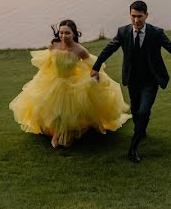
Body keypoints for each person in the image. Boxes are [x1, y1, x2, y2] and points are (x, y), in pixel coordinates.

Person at [90, 1, 171, 163]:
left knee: (143, 111)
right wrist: (96, 67)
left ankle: (133, 148)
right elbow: (109, 49)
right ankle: (141, 129)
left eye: (139, 16)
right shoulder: (123, 32)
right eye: (133, 16)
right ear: (130, 15)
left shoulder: (156, 33)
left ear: (146, 15)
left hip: (151, 80)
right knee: (135, 109)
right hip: (132, 79)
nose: (136, 20)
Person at [9, 20, 131, 148]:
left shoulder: (79, 50)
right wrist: (40, 79)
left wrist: (95, 77)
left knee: (69, 114)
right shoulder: (53, 46)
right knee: (55, 111)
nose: (63, 35)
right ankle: (56, 135)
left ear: (73, 34)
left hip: (72, 83)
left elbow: (92, 66)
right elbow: (47, 65)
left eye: (67, 33)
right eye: (61, 33)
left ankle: (68, 133)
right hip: (54, 80)